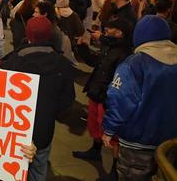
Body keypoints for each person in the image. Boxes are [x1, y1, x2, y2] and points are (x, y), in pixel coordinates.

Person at [102, 15, 177, 181]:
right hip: (170, 143)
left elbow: (120, 100)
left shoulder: (134, 64)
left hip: (138, 141)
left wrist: (108, 129)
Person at [1, 16, 75, 181]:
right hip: (44, 130)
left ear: (27, 34)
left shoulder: (11, 63)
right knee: (39, 169)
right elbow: (67, 101)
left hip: (13, 131)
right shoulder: (62, 63)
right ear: (49, 35)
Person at [72, 19, 133, 179]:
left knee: (111, 135)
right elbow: (95, 62)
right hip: (96, 91)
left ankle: (115, 168)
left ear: (120, 33)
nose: (106, 29)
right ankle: (95, 150)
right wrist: (82, 47)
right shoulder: (110, 45)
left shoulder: (125, 53)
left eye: (111, 28)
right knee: (94, 124)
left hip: (107, 97)